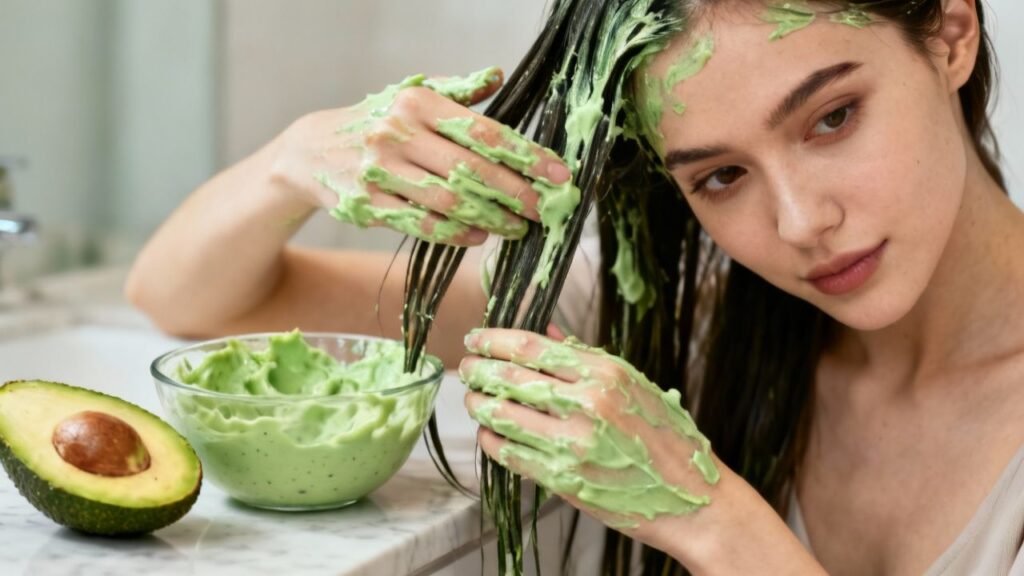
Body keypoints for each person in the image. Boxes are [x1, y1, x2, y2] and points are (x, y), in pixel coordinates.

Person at [127, 0, 1024, 573]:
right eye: (720, 177)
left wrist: (709, 518)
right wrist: (293, 160)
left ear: (950, 33)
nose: (799, 222)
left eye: (833, 118)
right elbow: (195, 298)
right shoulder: (682, 325)